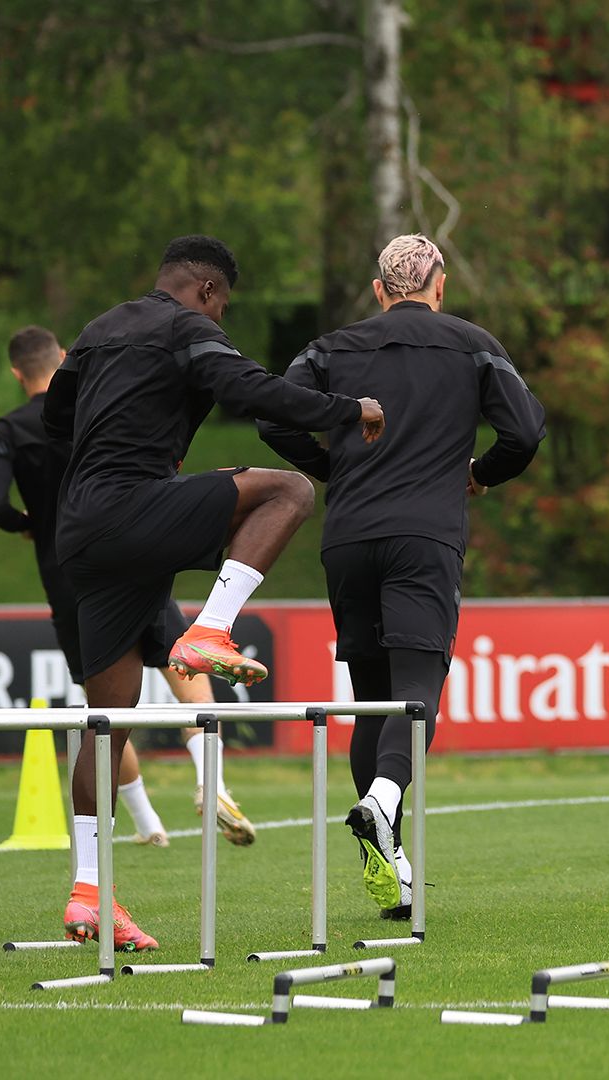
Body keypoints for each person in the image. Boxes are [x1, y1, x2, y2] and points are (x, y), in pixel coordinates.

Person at [45, 235, 383, 948]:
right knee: (287, 490)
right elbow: (250, 390)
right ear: (205, 289)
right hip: (134, 507)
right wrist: (348, 410)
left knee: (107, 720)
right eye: (222, 305)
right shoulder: (186, 326)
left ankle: (86, 893)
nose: (220, 317)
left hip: (80, 532)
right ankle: (210, 628)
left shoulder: (99, 329)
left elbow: (55, 422)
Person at [260, 234, 545, 918]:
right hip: (425, 536)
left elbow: (274, 414)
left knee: (371, 697)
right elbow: (525, 433)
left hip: (350, 537)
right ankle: (383, 802)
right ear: (438, 285)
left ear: (380, 289)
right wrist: (477, 474)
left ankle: (392, 868)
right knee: (418, 687)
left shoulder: (331, 347)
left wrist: (335, 468)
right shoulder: (472, 343)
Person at [0, 326, 258, 850]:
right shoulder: (96, 410)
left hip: (69, 572)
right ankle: (211, 778)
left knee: (103, 707)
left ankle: (147, 822)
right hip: (133, 549)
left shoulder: (8, 430)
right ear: (63, 359)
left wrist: (28, 523)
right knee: (182, 662)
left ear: (17, 372)